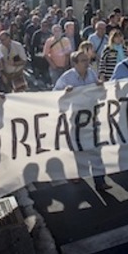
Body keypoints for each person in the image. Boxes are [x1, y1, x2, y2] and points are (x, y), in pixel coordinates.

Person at [53, 50, 108, 190]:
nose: (87, 63)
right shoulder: (67, 77)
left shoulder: (92, 74)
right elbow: (54, 95)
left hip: (93, 117)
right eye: (83, 61)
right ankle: (78, 174)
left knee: (96, 150)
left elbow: (102, 95)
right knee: (78, 149)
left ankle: (100, 181)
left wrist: (101, 87)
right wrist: (65, 93)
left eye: (87, 60)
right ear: (75, 64)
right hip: (77, 120)